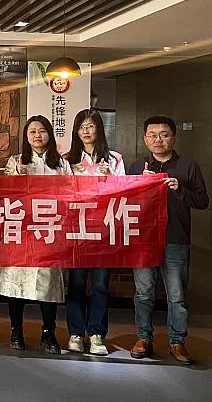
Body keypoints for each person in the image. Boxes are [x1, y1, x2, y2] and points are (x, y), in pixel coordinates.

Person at [128, 115, 209, 365]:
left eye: (164, 135)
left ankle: (177, 341)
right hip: (144, 240)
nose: (158, 140)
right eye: (153, 135)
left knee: (177, 295)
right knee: (143, 293)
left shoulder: (188, 166)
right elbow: (124, 202)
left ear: (174, 137)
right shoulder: (137, 166)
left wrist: (179, 189)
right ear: (145, 139)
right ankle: (144, 338)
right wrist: (139, 186)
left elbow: (203, 201)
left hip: (176, 239)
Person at [0, 116, 71, 354]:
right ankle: (16, 330)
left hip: (49, 230)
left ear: (49, 134)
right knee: (16, 282)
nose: (37, 135)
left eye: (42, 131)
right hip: (20, 230)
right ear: (26, 136)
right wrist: (17, 175)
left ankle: (48, 332)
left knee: (48, 283)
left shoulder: (61, 163)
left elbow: (71, 193)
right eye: (32, 131)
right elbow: (4, 193)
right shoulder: (15, 161)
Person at [63, 109, 125, 355]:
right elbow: (62, 194)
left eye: (90, 126)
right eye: (81, 127)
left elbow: (126, 193)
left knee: (100, 284)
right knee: (76, 283)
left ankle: (97, 333)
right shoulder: (68, 160)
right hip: (77, 230)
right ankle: (76, 333)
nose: (86, 131)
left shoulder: (114, 159)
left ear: (99, 128)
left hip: (104, 230)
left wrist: (110, 179)